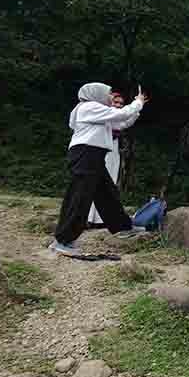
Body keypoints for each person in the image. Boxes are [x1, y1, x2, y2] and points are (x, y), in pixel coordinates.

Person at [49, 83, 149, 256]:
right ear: (96, 94)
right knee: (80, 197)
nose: (111, 97)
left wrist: (137, 108)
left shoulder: (95, 111)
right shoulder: (89, 106)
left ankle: (123, 227)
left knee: (106, 193)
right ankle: (63, 240)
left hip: (93, 155)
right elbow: (122, 113)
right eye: (109, 93)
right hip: (86, 154)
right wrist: (137, 102)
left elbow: (121, 123)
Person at [87, 91, 139, 227]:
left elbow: (124, 123)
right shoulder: (101, 114)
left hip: (112, 150)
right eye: (115, 102)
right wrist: (137, 105)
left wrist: (137, 110)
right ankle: (88, 218)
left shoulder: (115, 119)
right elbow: (123, 119)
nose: (118, 105)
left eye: (121, 103)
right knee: (93, 183)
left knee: (109, 183)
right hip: (98, 150)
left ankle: (100, 219)